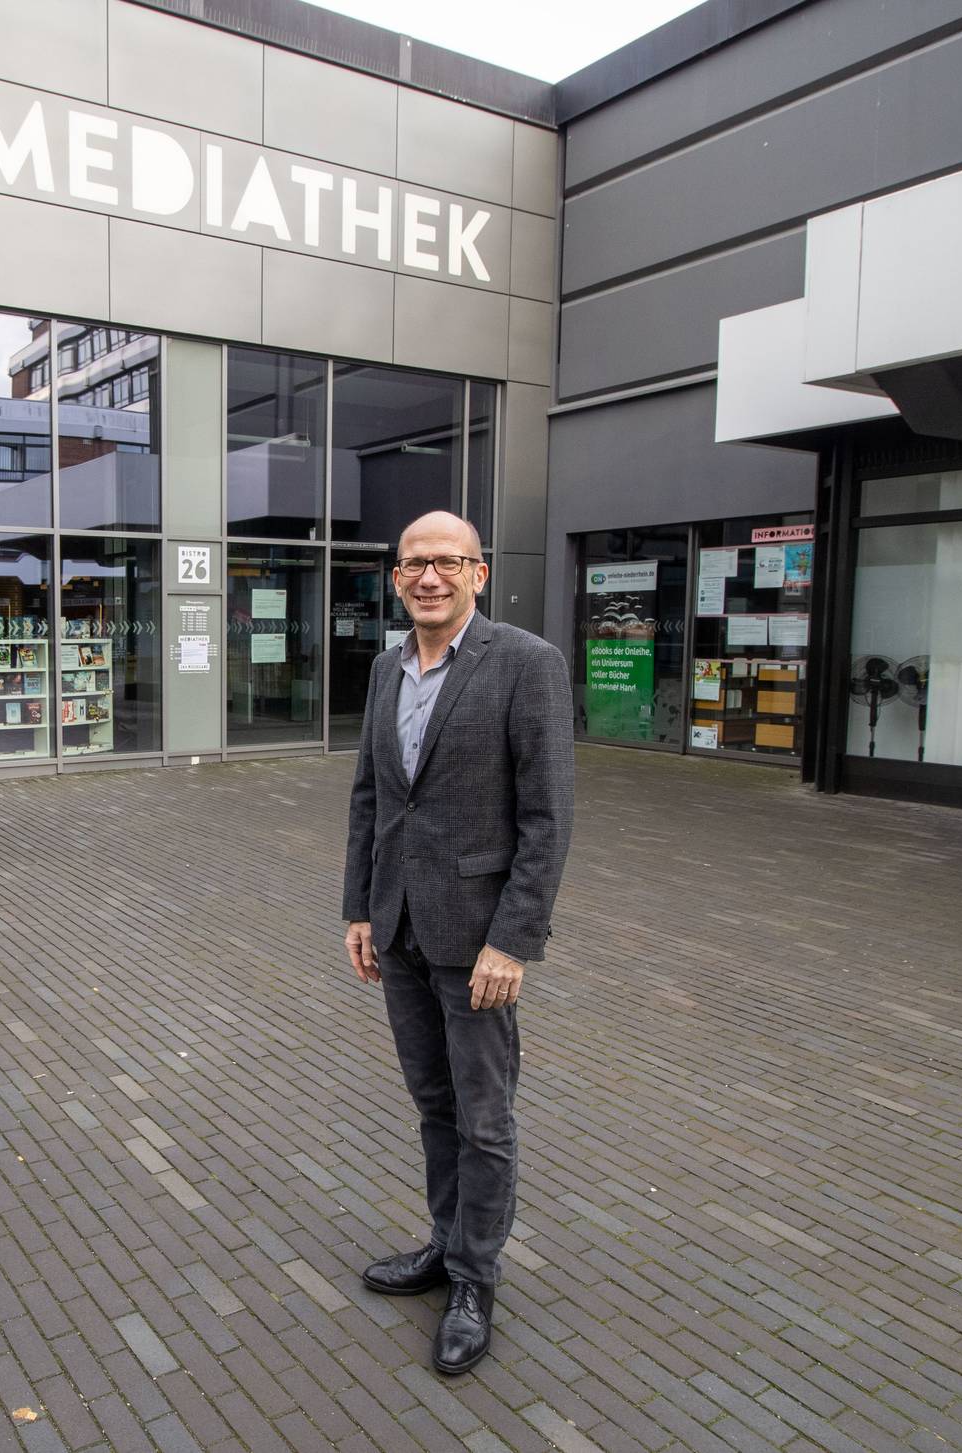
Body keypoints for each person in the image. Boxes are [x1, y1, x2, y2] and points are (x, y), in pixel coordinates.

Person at [341, 511, 574, 1375]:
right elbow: (371, 795)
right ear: (396, 578)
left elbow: (547, 818)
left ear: (477, 571)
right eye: (413, 564)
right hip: (399, 924)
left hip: (478, 940)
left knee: (485, 1118)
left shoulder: (525, 663)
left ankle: (476, 1278)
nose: (428, 577)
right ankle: (445, 1243)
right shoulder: (385, 667)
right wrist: (360, 909)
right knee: (434, 1104)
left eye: (446, 562)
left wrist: (513, 940)